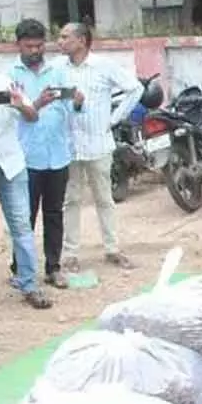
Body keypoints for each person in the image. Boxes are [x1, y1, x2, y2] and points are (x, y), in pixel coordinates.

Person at [57, 22, 140, 273]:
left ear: (81, 40)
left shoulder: (103, 66)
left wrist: (114, 120)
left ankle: (112, 248)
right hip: (69, 146)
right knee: (70, 200)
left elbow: (135, 89)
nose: (59, 42)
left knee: (104, 198)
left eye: (64, 37)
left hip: (98, 143)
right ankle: (70, 253)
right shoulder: (57, 68)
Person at [9, 18, 77, 289]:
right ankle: (20, 269)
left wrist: (77, 102)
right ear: (19, 45)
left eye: (39, 46)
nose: (35, 51)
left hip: (57, 155)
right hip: (26, 158)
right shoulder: (9, 77)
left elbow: (69, 109)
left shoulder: (57, 72)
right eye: (29, 46)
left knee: (54, 214)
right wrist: (38, 102)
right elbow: (14, 117)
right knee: (24, 217)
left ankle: (53, 268)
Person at [0, 70, 49, 308]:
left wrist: (18, 105)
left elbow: (32, 115)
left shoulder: (3, 81)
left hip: (10, 163)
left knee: (22, 226)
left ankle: (29, 284)